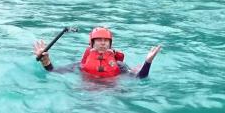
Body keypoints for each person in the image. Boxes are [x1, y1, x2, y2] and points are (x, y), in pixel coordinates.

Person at [33, 27, 162, 79]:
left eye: (106, 40)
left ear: (110, 44)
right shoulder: (81, 65)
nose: (102, 43)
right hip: (87, 95)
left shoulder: (119, 66)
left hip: (112, 94)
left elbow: (140, 78)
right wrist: (46, 62)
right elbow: (54, 72)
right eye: (99, 40)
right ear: (92, 43)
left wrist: (148, 62)